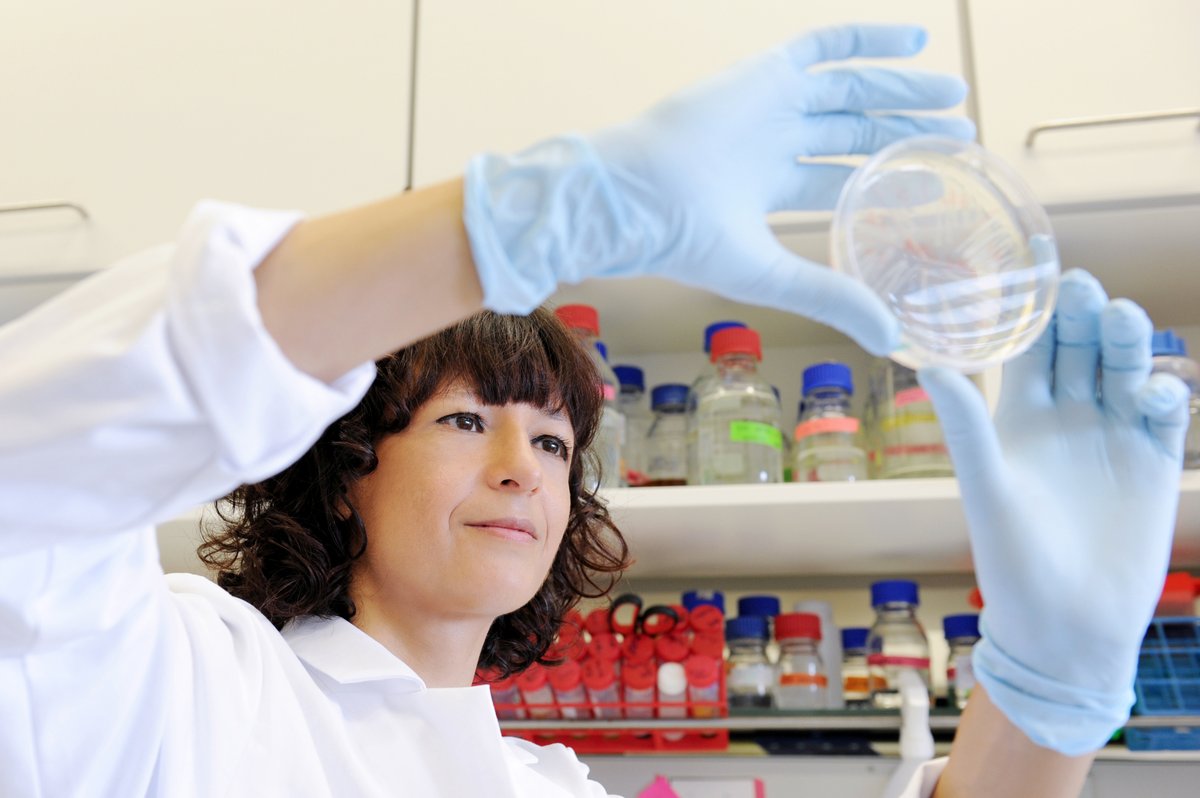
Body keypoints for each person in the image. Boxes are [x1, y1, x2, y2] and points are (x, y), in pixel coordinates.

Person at [0, 21, 1189, 798]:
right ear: (347, 463)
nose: (526, 468)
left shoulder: (545, 786)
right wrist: (515, 220)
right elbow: (25, 482)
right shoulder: (183, 680)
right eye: (466, 423)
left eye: (558, 440)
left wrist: (1044, 710)